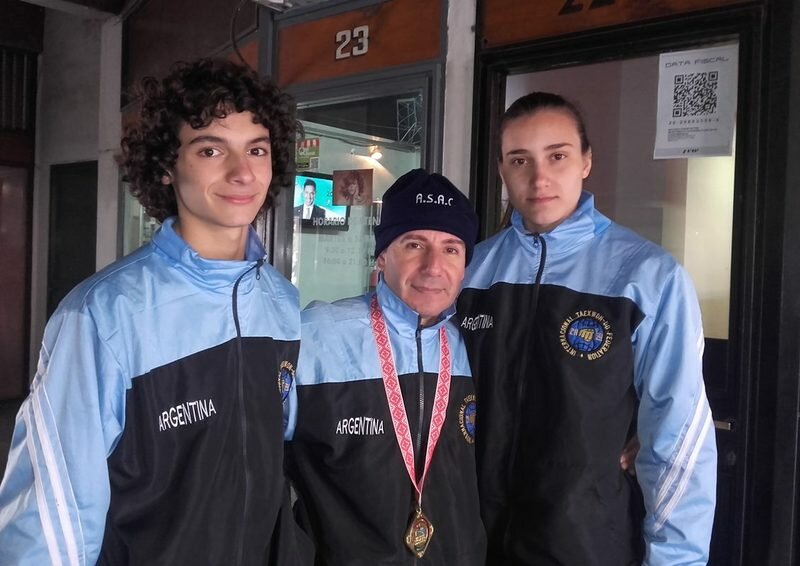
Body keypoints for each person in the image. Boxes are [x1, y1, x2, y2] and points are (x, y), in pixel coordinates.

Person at [0, 58, 312, 565]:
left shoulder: (280, 301)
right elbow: (51, 514)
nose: (242, 172)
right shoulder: (102, 316)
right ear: (167, 166)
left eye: (256, 149)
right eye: (211, 149)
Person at [458, 92, 717, 565]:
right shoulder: (470, 271)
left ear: (585, 162)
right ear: (501, 170)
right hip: (469, 542)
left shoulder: (648, 277)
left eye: (557, 156)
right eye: (520, 160)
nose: (539, 178)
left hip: (587, 546)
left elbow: (678, 441)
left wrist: (676, 559)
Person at [284, 169, 487, 565]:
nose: (433, 267)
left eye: (451, 248)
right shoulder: (316, 337)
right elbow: (246, 462)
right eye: (414, 244)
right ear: (382, 255)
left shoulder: (477, 343)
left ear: (465, 265)